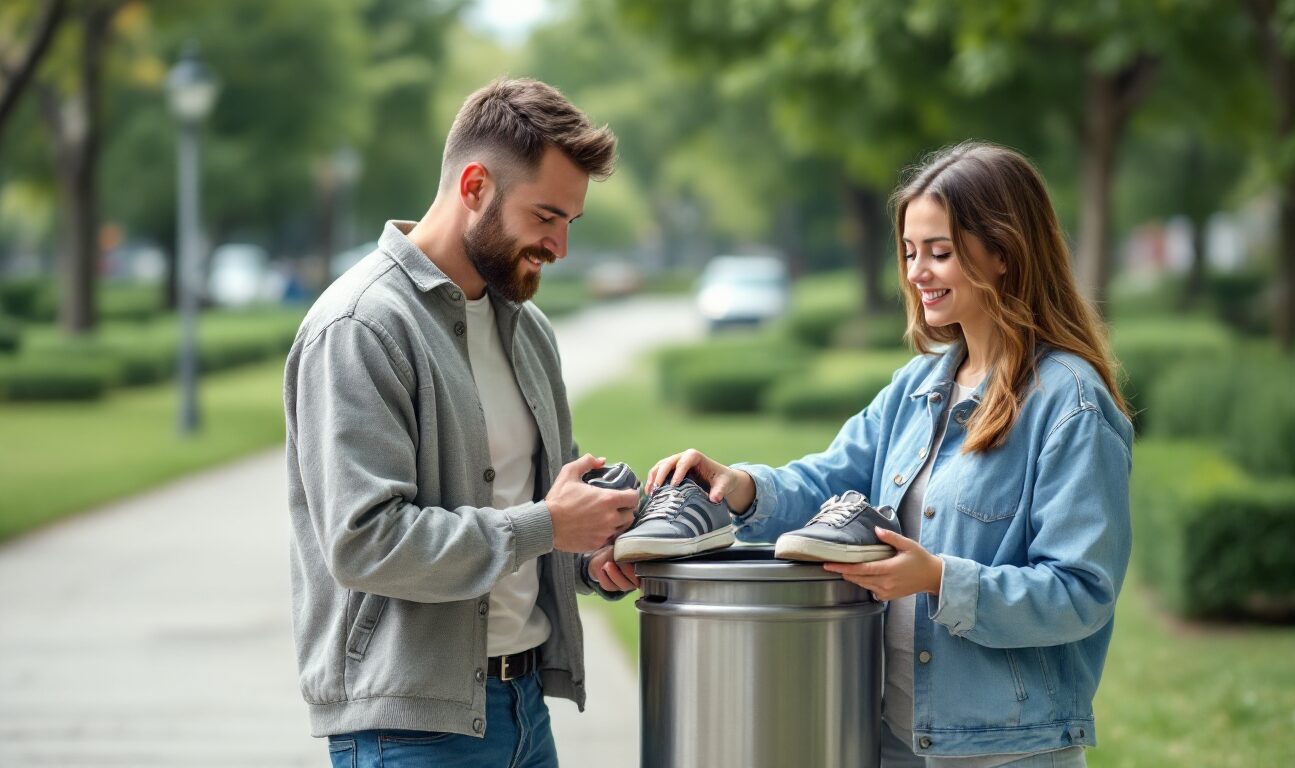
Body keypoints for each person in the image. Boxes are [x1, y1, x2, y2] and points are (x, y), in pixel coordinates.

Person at [646, 141, 1133, 767]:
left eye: (940, 252)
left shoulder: (1070, 404)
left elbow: (1080, 592)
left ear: (1006, 253)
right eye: (909, 252)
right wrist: (737, 484)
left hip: (1006, 751)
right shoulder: (918, 386)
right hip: (891, 736)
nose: (916, 273)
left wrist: (937, 580)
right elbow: (832, 482)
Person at [283, 78, 641, 768]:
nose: (560, 246)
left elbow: (534, 517)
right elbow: (365, 542)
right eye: (546, 217)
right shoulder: (361, 326)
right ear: (474, 184)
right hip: (410, 731)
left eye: (571, 221)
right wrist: (548, 525)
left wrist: (592, 553)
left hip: (524, 707)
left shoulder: (527, 329)